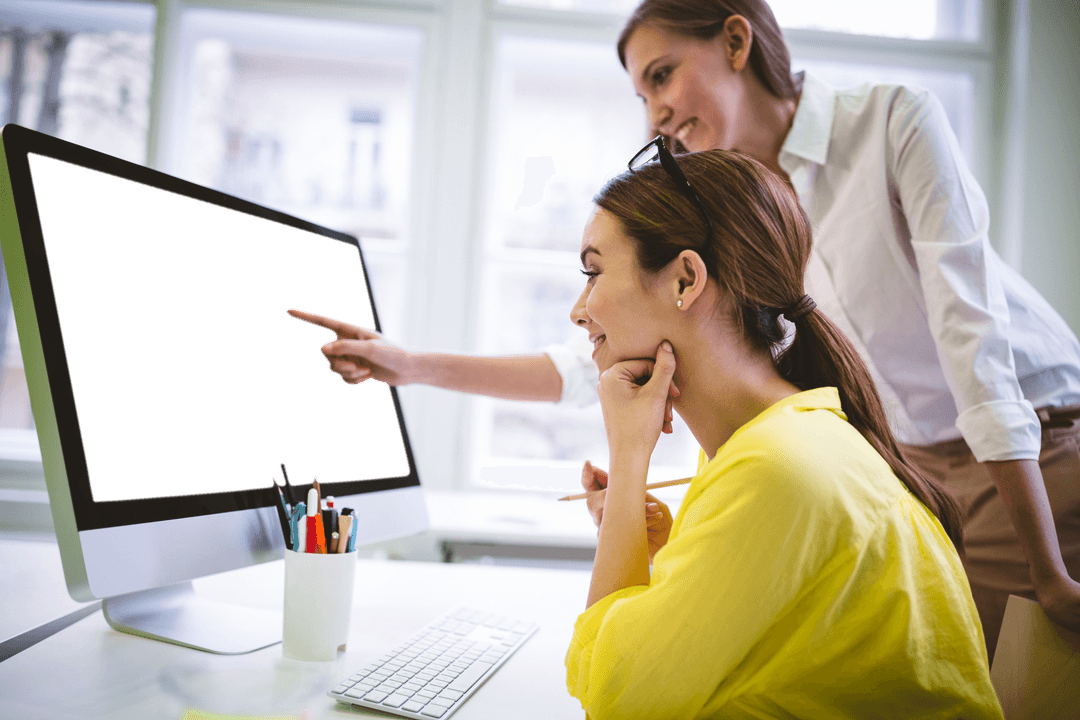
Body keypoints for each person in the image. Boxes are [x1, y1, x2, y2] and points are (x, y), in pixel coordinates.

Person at [290, 0, 1080, 657]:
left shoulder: (890, 123)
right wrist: (412, 366)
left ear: (737, 40)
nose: (655, 109)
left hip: (1037, 453)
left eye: (662, 75)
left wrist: (1046, 566)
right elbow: (591, 360)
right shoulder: (732, 213)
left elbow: (969, 339)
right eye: (639, 93)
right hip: (916, 467)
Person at [562, 143, 1002, 718]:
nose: (579, 308)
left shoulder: (775, 467)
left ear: (685, 279)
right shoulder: (785, 437)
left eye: (593, 272)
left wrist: (627, 462)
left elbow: (612, 700)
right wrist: (670, 551)